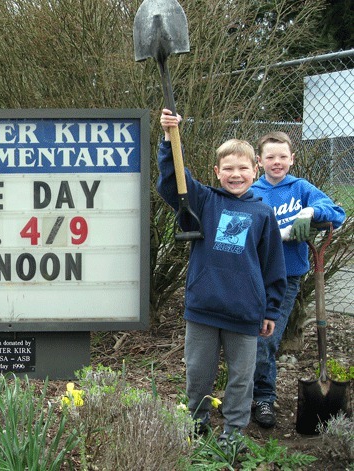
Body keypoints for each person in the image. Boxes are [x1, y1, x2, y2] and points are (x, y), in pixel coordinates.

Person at [156, 109, 287, 447]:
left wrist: (271, 309)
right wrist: (169, 138)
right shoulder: (203, 201)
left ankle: (232, 433)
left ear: (254, 170)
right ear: (217, 172)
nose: (235, 174)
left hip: (244, 314)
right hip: (203, 308)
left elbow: (273, 265)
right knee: (198, 374)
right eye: (227, 168)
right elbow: (173, 181)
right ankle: (196, 424)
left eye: (243, 168)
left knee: (241, 379)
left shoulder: (262, 213)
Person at [251, 131, 346, 428]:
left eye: (282, 157)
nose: (276, 162)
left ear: (292, 159)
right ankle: (245, 393)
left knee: (265, 341)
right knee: (248, 340)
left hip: (287, 278)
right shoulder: (253, 191)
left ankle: (264, 398)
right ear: (259, 161)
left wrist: (310, 210)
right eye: (270, 157)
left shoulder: (301, 188)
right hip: (252, 276)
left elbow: (338, 213)